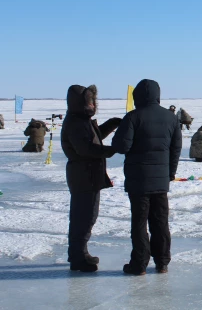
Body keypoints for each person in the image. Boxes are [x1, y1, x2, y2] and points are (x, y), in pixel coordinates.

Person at [112, 79, 182, 276]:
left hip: (138, 180)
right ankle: (162, 262)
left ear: (138, 97)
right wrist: (170, 173)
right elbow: (175, 149)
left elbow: (121, 146)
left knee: (140, 222)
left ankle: (139, 264)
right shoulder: (171, 118)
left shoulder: (133, 117)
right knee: (160, 222)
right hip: (160, 181)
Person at [61, 84, 122, 272]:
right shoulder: (76, 122)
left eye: (93, 101)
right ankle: (79, 257)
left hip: (86, 175)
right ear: (80, 103)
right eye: (89, 101)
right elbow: (86, 149)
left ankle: (78, 253)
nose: (92, 105)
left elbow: (94, 139)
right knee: (84, 217)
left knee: (85, 216)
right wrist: (114, 149)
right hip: (83, 176)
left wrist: (112, 123)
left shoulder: (81, 120)